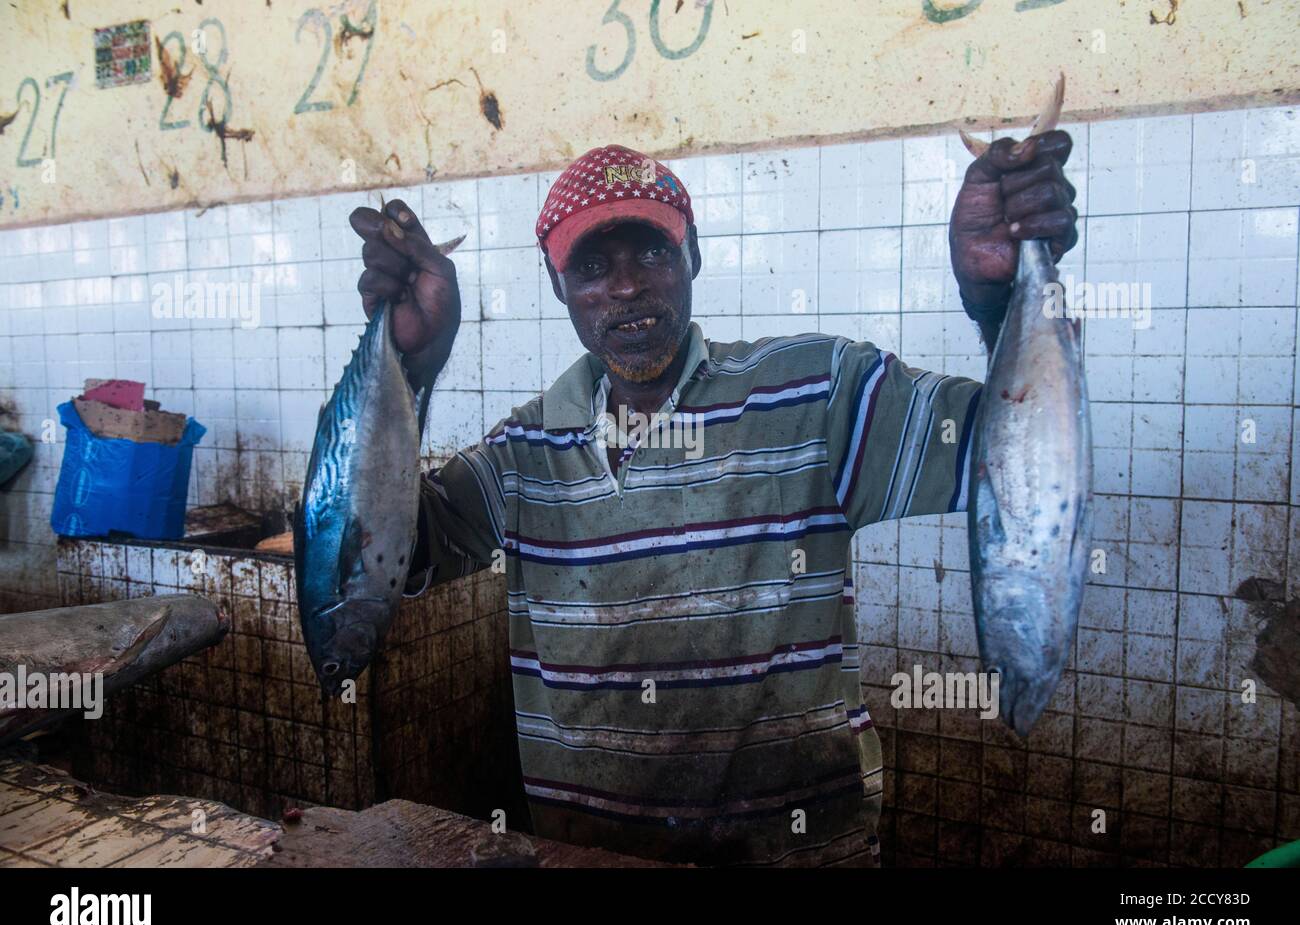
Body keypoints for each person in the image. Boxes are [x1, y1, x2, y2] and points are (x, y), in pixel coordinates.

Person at [348, 136, 1078, 866]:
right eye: (593, 267)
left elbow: (1011, 450)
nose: (628, 286)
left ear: (693, 256)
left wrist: (1000, 300)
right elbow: (387, 555)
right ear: (557, 282)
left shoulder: (819, 394)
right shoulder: (523, 450)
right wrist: (410, 369)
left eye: (653, 254)